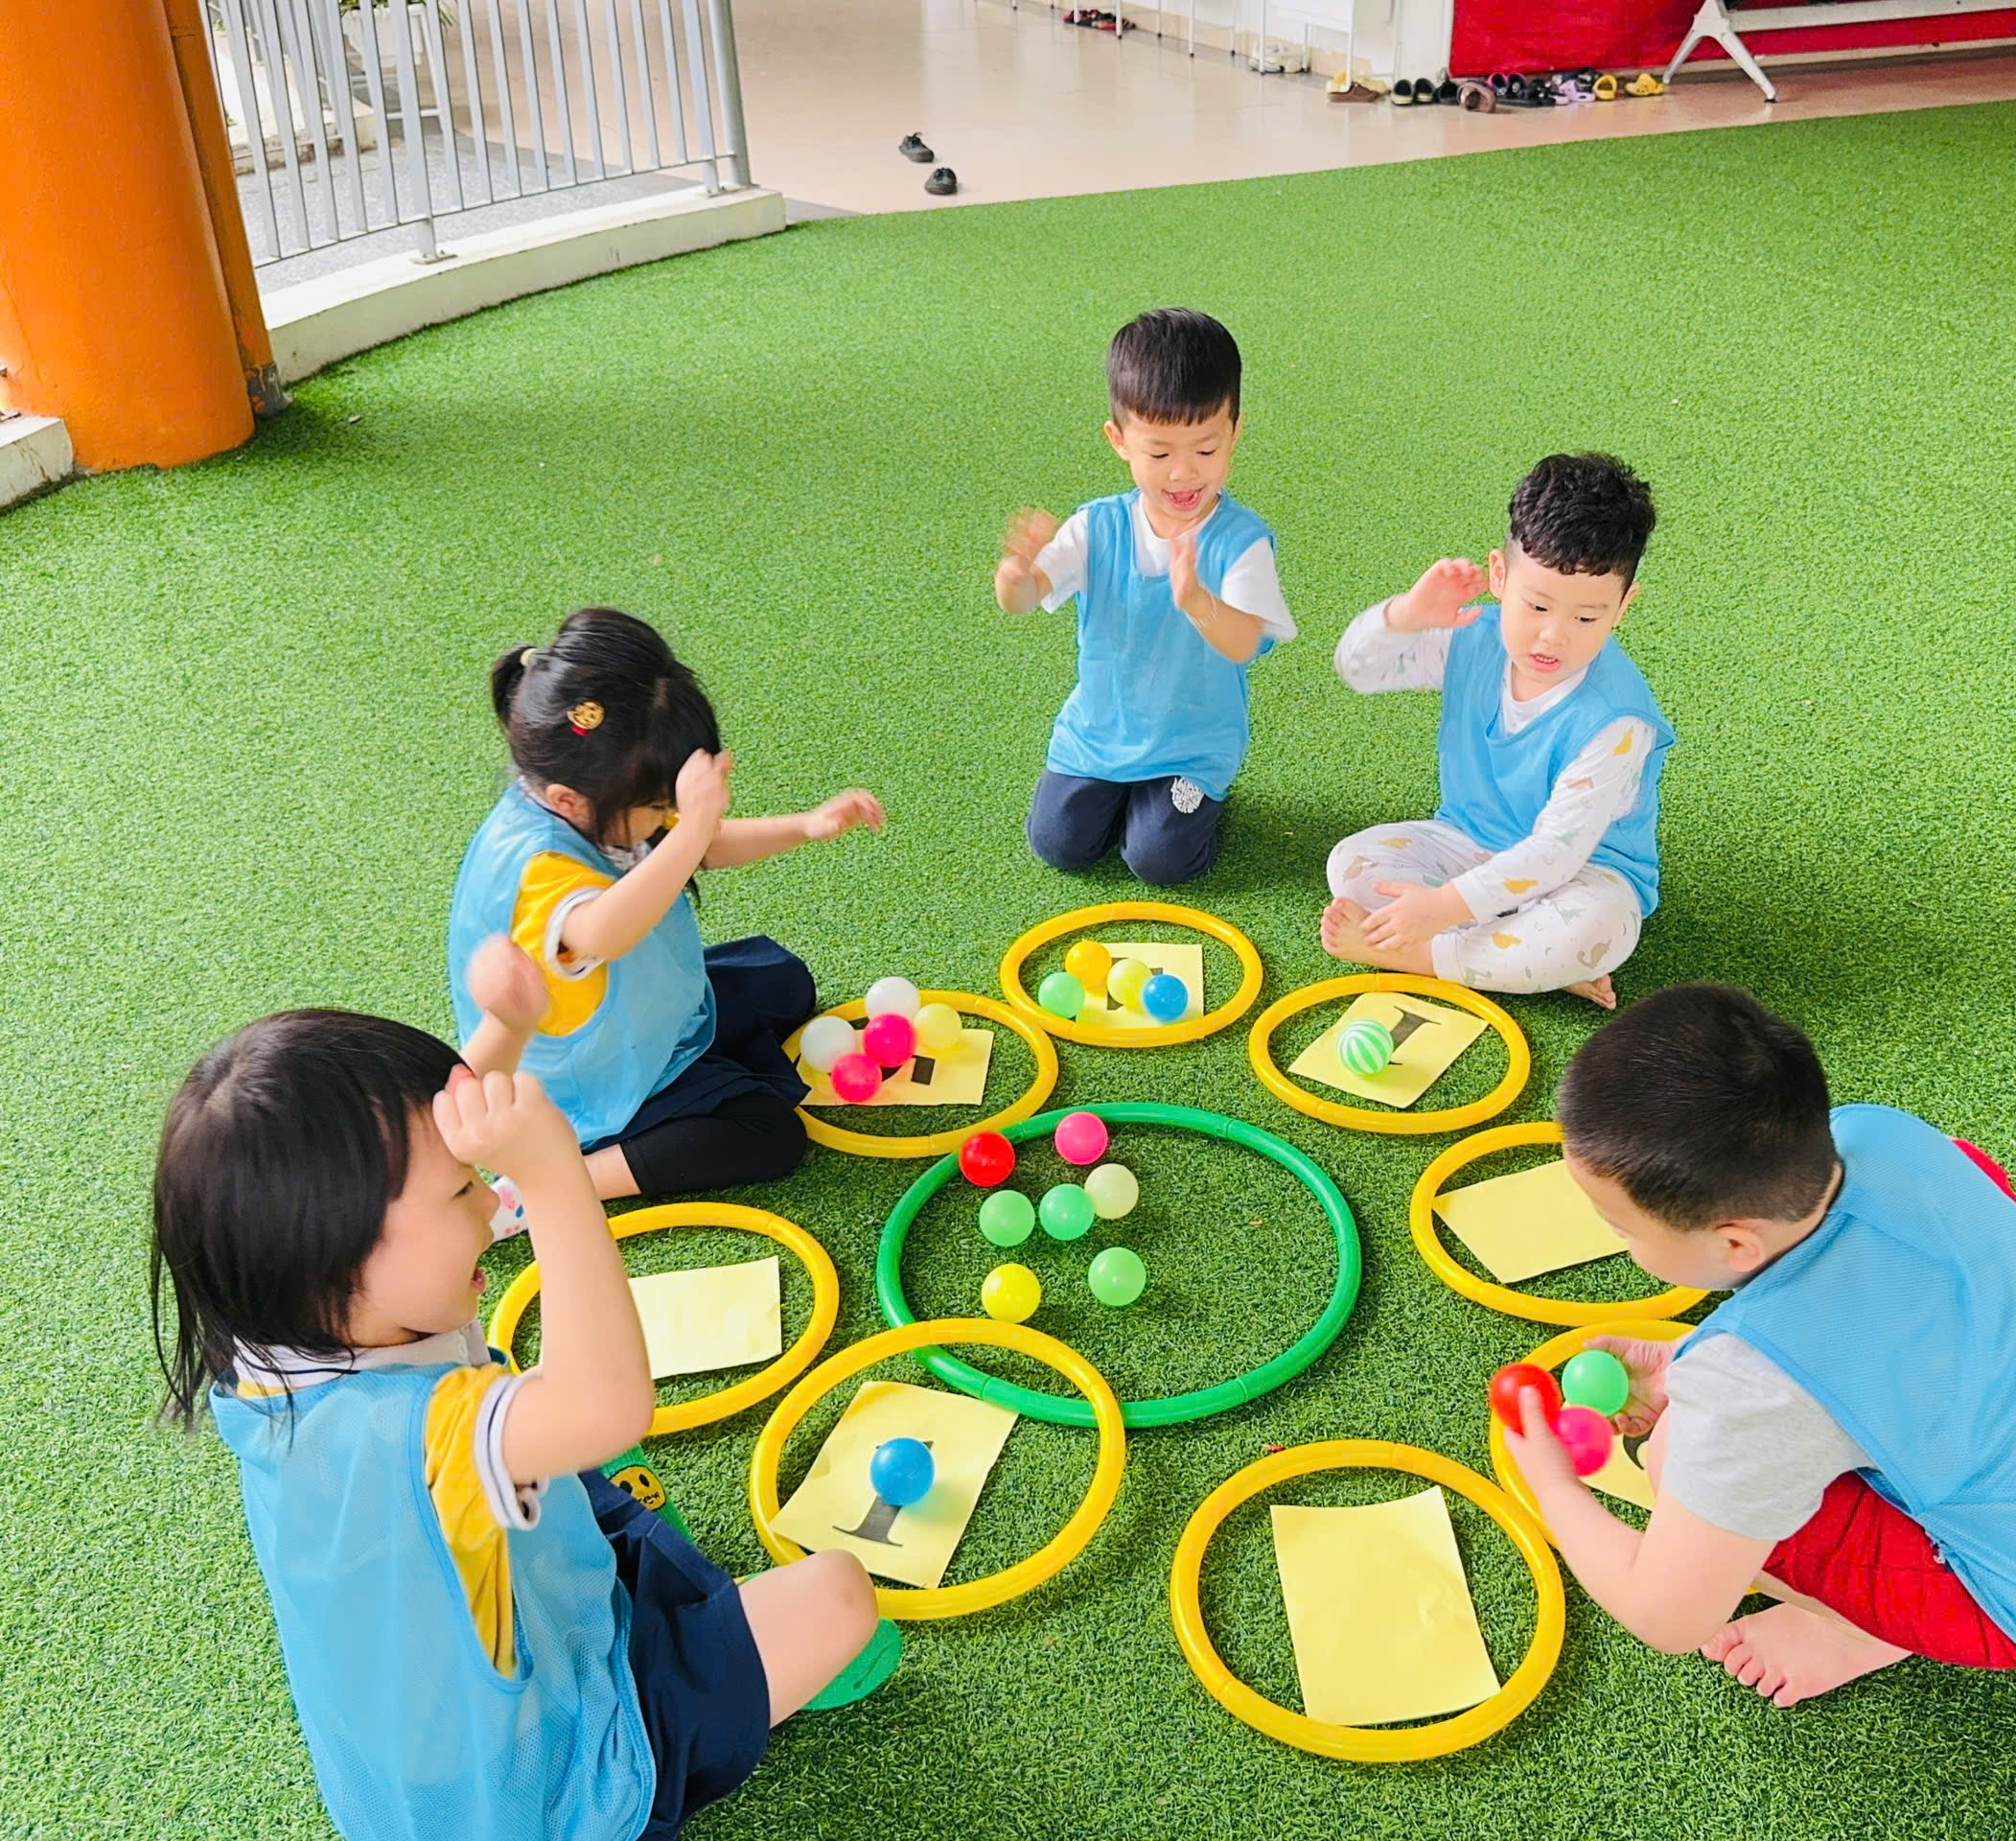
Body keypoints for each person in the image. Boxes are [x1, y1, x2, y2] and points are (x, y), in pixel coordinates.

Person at [150, 977, 897, 1841]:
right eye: (460, 1191)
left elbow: (420, 1148)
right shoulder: (418, 1437)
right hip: (554, 1787)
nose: (488, 1201)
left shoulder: (279, 1324)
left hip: (449, 1747)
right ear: (337, 1258)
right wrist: (551, 1179)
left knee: (586, 1466)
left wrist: (506, 1029)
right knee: (839, 1596)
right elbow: (607, 1404)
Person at [1505, 983, 2016, 1704]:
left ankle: (1864, 1630)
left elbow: (1666, 1616)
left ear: (1735, 1243)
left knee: (1678, 1452)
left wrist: (1552, 1482)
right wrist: (1689, 1362)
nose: (1619, 1240)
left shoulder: (1749, 1389)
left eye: (1620, 1227)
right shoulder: (1879, 1135)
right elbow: (1913, 1313)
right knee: (1733, 1439)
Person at [449, 607, 882, 1200]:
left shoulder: (599, 792)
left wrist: (805, 826)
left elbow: (691, 847)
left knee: (785, 981)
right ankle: (542, 1187)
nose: (668, 819)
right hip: (590, 1084)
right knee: (770, 1134)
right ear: (568, 801)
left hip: (640, 1016)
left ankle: (699, 1073)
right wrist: (693, 825)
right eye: (659, 808)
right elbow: (604, 933)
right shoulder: (540, 870)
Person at [1321, 453, 1672, 1008]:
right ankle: (1519, 962)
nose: (1552, 636)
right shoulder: (1474, 639)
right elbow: (1357, 670)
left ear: (1623, 606)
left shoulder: (1618, 721)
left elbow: (1555, 855)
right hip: (1468, 843)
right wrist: (1406, 616)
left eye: (1586, 618)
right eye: (1536, 606)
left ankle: (1427, 958)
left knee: (1597, 930)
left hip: (1584, 873)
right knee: (1351, 863)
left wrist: (1440, 910)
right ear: (1500, 576)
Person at [995, 307, 1293, 884]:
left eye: (1205, 450)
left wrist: (1199, 602)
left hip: (1193, 743)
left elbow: (1243, 644)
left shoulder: (1242, 541)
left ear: (1235, 432)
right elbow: (1024, 599)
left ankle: (1190, 805)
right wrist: (1014, 576)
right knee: (1057, 844)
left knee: (1159, 860)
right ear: (1119, 440)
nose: (1183, 474)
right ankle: (1128, 800)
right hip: (1099, 733)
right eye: (1159, 453)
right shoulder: (1096, 526)